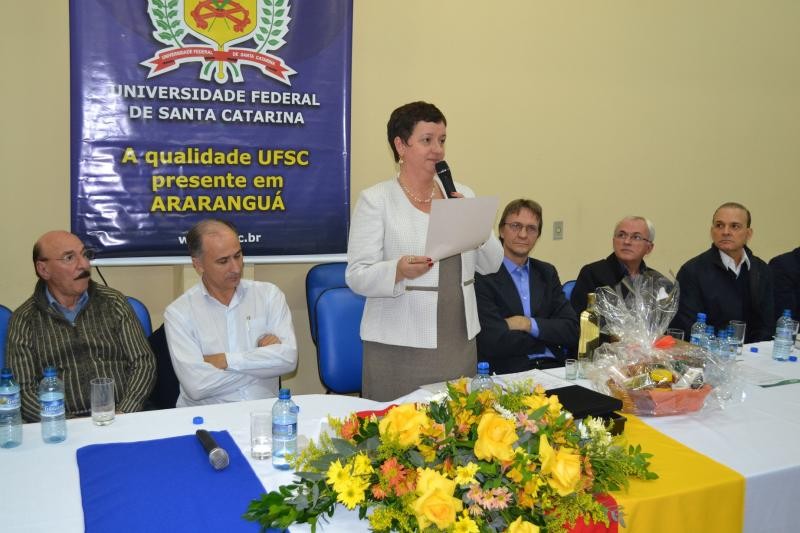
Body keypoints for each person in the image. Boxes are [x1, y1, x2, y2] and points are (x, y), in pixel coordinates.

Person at [346, 101, 503, 401]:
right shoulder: (376, 200)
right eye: (427, 140)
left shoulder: (461, 194)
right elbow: (357, 275)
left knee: (458, 424)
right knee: (398, 427)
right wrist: (397, 271)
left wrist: (475, 225)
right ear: (401, 146)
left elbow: (492, 264)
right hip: (398, 347)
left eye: (442, 140)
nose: (438, 150)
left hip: (458, 341)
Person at [6, 231, 156, 422]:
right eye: (69, 258)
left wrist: (125, 410)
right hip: (60, 425)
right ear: (43, 269)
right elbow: (24, 389)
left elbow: (143, 362)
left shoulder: (113, 302)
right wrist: (67, 423)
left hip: (122, 416)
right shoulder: (25, 320)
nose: (84, 264)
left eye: (85, 254)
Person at [164, 219, 297, 407]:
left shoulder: (269, 295)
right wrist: (262, 363)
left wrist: (226, 360)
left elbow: (289, 359)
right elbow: (197, 386)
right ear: (198, 265)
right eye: (223, 261)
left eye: (238, 255)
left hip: (264, 411)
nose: (235, 268)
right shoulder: (179, 313)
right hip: (208, 417)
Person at [475, 199, 578, 374]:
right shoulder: (483, 275)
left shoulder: (547, 273)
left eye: (531, 228)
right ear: (501, 231)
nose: (523, 234)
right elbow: (492, 340)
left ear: (538, 235)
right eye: (516, 226)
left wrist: (527, 324)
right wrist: (545, 336)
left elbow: (571, 330)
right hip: (509, 372)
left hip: (553, 368)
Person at [671, 202, 774, 342]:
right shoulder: (692, 271)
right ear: (712, 231)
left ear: (748, 234)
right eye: (719, 225)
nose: (725, 232)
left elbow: (767, 324)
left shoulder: (761, 270)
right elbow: (688, 327)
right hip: (710, 351)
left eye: (734, 226)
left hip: (754, 351)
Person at [570, 216, 661, 314]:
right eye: (621, 235)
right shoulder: (592, 274)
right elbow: (579, 317)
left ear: (649, 248)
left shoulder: (657, 281)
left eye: (636, 237)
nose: (626, 242)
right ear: (613, 241)